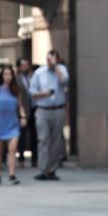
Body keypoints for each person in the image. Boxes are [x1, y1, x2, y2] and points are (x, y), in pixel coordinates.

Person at [30, 50, 69, 181]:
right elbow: (32, 92)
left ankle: (52, 170)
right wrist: (44, 94)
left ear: (57, 59)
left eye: (52, 59)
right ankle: (42, 169)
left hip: (58, 110)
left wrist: (56, 66)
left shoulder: (61, 70)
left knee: (56, 141)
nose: (49, 62)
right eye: (48, 59)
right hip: (42, 110)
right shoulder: (39, 72)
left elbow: (65, 81)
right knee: (43, 139)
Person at [0, 65, 27, 185]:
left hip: (13, 123)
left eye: (9, 74)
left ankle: (11, 174)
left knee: (12, 149)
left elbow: (20, 105)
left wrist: (23, 116)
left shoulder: (16, 90)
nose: (7, 77)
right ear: (1, 76)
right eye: (5, 74)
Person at [16, 58, 37, 168]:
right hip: (22, 110)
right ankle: (21, 158)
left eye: (26, 65)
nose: (25, 67)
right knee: (22, 136)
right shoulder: (16, 79)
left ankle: (35, 159)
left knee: (35, 135)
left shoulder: (33, 77)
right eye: (23, 65)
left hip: (34, 108)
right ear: (19, 67)